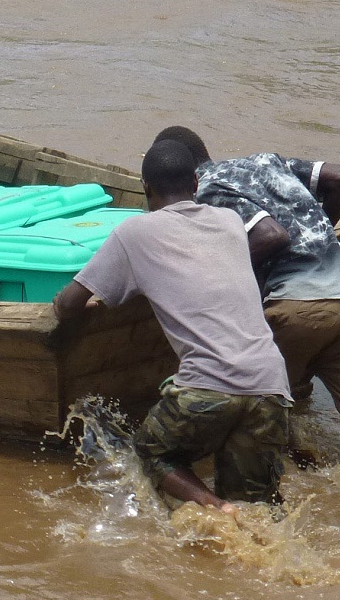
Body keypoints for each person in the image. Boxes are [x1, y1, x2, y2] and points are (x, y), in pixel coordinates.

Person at [153, 126, 340, 491]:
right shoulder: (265, 161)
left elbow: (271, 236)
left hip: (297, 313)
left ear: (179, 177)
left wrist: (219, 276)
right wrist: (317, 236)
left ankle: (287, 480)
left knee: (254, 425)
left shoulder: (205, 192)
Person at [54, 140, 293, 510]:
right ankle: (237, 518)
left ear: (145, 187)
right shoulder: (230, 221)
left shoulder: (133, 233)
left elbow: (68, 305)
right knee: (257, 509)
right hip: (272, 386)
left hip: (208, 387)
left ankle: (217, 509)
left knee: (151, 451)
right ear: (196, 183)